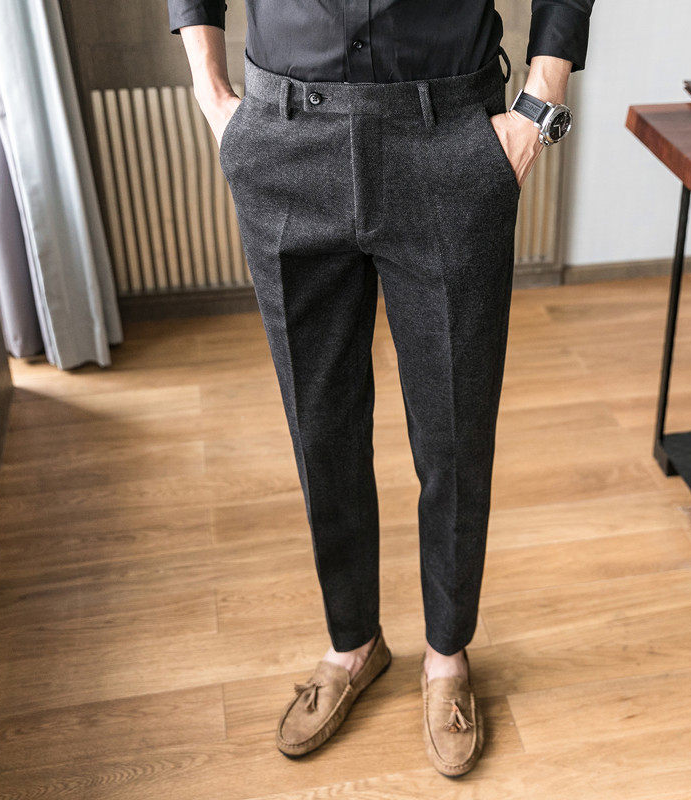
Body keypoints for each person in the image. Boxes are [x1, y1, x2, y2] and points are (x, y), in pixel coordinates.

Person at [168, 0, 594, 777]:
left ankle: (447, 654)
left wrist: (542, 103)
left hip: (449, 138)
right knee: (320, 428)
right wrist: (210, 90)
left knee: (456, 431)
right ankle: (353, 642)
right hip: (284, 138)